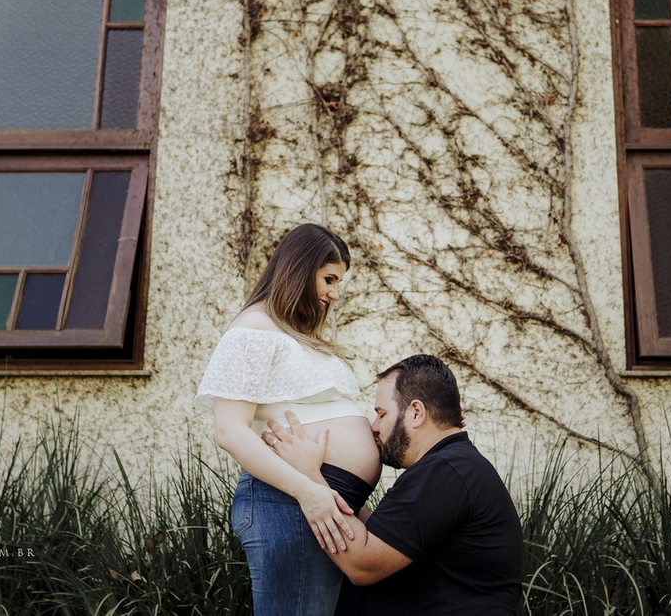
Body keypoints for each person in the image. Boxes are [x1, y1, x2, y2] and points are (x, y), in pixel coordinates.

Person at [194, 223, 380, 616]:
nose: (335, 293)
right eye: (329, 279)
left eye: (339, 282)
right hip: (289, 503)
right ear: (300, 269)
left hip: (324, 500)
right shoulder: (253, 329)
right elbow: (229, 430)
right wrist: (307, 492)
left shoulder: (293, 334)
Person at [263, 354, 524, 616]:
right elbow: (380, 540)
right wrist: (331, 478)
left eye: (381, 414)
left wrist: (308, 474)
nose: (374, 426)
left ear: (416, 413)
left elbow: (362, 564)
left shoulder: (446, 470)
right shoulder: (454, 468)